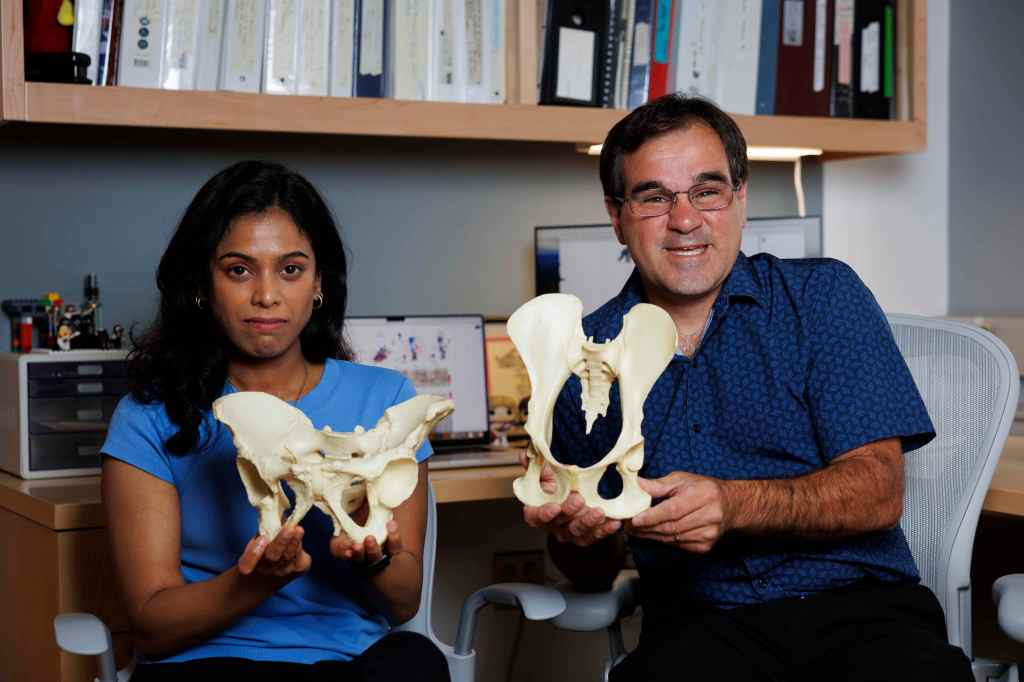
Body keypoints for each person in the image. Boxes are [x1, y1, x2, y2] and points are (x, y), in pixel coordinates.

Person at [522, 95, 973, 681]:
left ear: (739, 197)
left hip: (860, 615)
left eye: (706, 191)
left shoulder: (820, 300)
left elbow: (878, 491)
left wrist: (733, 505)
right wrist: (576, 533)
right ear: (616, 214)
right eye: (654, 197)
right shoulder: (581, 352)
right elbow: (588, 569)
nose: (685, 220)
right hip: (697, 627)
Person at [101, 160, 450, 682]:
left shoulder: (387, 401)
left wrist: (370, 557)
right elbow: (151, 624)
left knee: (418, 662)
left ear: (318, 284)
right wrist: (257, 581)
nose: (266, 294)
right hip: (206, 664)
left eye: (290, 269)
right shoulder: (148, 417)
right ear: (202, 284)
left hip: (347, 663)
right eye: (239, 269)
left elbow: (401, 604)